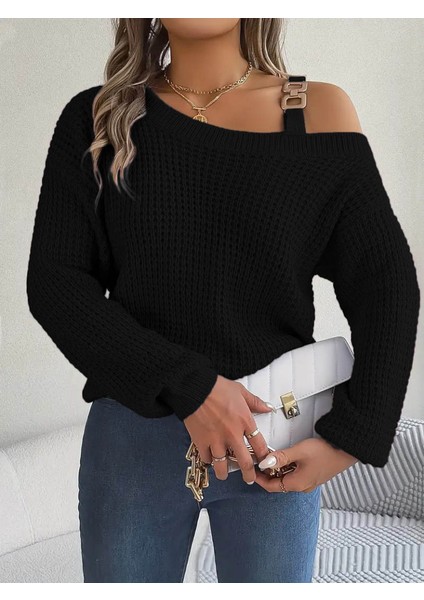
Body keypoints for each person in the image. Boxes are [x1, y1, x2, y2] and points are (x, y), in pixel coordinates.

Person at [26, 18, 420, 583]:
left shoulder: (315, 113)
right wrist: (191, 387)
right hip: (133, 443)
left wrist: (353, 438)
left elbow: (386, 284)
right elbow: (56, 283)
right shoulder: (99, 119)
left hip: (273, 440)